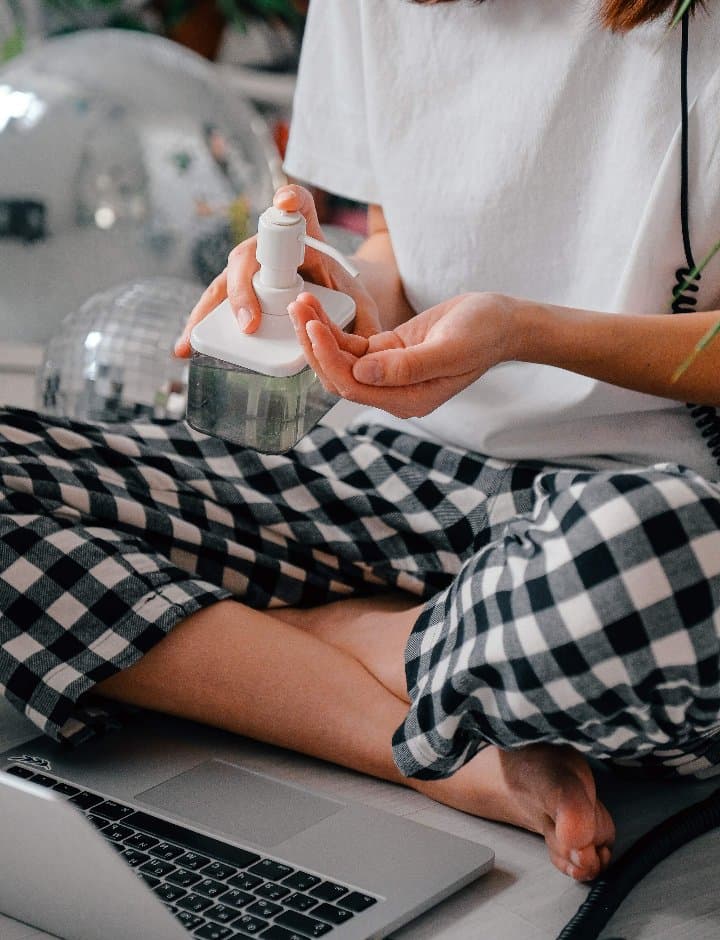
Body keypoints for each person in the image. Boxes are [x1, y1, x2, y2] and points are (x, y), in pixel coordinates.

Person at [2, 0, 720, 885]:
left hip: (628, 505)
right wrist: (343, 296)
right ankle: (438, 739)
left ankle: (337, 635)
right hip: (386, 471)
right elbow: (394, 244)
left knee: (674, 574)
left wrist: (528, 332)